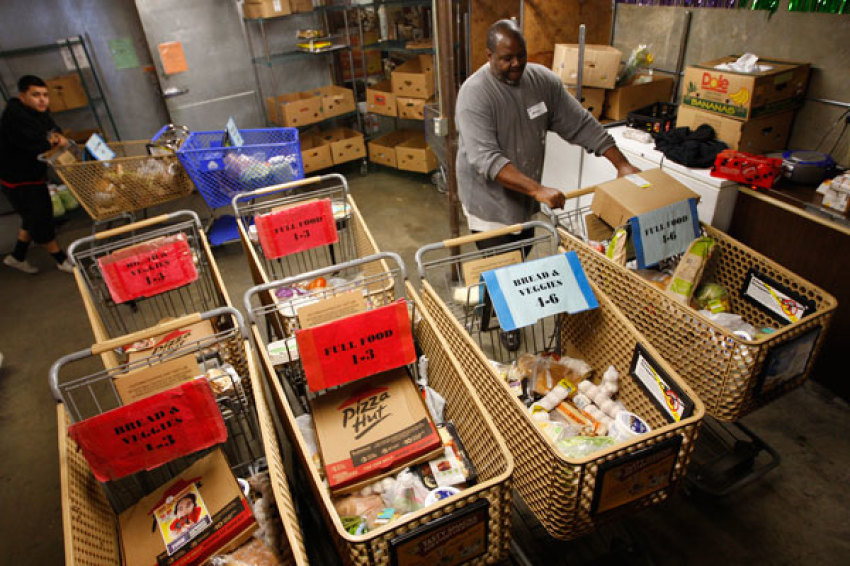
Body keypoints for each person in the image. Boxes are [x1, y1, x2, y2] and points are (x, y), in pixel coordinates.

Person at [455, 20, 640, 349]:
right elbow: (486, 159)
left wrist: (621, 163)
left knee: (520, 254)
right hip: (488, 201)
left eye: (520, 56)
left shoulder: (542, 82)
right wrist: (540, 191)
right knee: (503, 264)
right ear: (489, 56)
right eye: (506, 59)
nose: (515, 65)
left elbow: (580, 123)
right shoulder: (474, 94)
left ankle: (499, 300)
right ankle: (505, 319)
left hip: (524, 198)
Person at [1, 75, 74, 274]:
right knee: (41, 218)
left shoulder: (37, 113)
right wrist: (53, 140)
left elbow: (54, 130)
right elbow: (36, 144)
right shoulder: (15, 117)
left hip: (32, 175)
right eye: (36, 95)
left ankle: (17, 256)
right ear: (22, 96)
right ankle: (60, 259)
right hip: (19, 180)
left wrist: (55, 137)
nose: (42, 100)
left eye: (45, 95)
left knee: (30, 217)